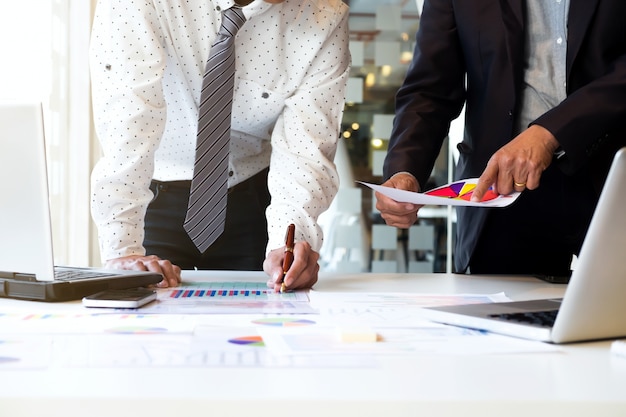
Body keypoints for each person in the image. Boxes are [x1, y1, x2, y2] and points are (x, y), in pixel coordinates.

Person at [89, 0, 350, 289]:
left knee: (266, 323)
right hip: (153, 196)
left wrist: (290, 241)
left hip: (254, 202)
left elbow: (305, 148)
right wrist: (122, 250)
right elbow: (129, 125)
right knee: (147, 320)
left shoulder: (324, 16)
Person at [376, 0, 626, 276]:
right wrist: (405, 170)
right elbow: (430, 88)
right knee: (498, 315)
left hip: (613, 171)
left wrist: (552, 131)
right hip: (500, 191)